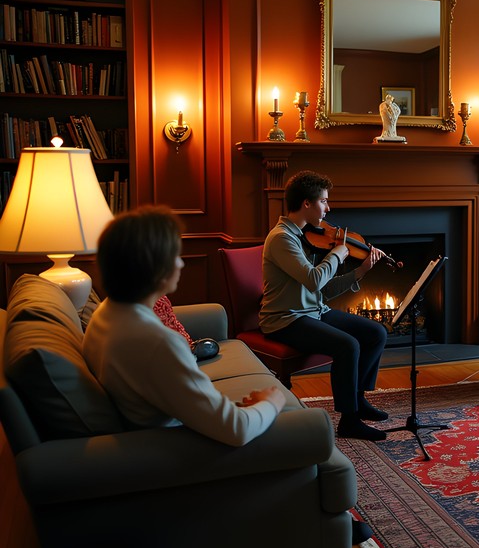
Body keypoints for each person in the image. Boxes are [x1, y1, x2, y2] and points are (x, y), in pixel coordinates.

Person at [83, 206, 287, 447]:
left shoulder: (104, 314)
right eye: (175, 256)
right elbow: (237, 429)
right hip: (175, 449)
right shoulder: (159, 343)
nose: (181, 264)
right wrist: (271, 401)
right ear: (156, 268)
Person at [260, 170, 389, 441]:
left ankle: (358, 400)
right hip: (286, 319)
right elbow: (314, 279)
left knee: (376, 332)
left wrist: (360, 271)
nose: (328, 209)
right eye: (324, 201)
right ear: (307, 203)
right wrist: (338, 253)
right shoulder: (282, 238)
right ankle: (349, 421)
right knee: (348, 345)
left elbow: (324, 290)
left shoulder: (307, 235)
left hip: (314, 312)